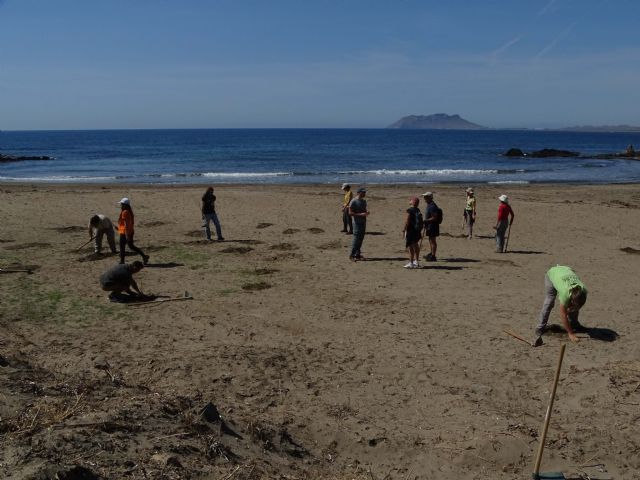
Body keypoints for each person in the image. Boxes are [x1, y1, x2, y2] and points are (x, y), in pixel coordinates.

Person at [535, 265, 587, 342]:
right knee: (549, 302)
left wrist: (573, 308)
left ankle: (574, 324)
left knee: (574, 306)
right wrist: (570, 333)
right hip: (552, 274)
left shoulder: (584, 290)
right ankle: (540, 328)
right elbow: (563, 315)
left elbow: (578, 304)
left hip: (565, 270)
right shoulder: (565, 293)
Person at [117, 197, 149, 265]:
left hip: (125, 232)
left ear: (125, 205)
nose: (121, 205)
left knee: (123, 247)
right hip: (129, 231)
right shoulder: (129, 211)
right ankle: (144, 256)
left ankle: (122, 262)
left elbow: (126, 224)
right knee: (130, 246)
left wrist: (126, 235)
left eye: (122, 204)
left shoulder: (124, 212)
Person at [348, 187, 369, 261]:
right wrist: (361, 214)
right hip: (356, 223)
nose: (364, 194)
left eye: (365, 192)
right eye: (363, 192)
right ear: (359, 192)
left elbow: (364, 210)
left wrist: (366, 213)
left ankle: (357, 254)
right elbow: (350, 213)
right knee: (356, 239)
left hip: (363, 222)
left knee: (361, 239)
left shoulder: (364, 201)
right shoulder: (353, 201)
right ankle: (352, 255)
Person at [403, 197, 422, 268]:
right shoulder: (418, 210)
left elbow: (407, 221)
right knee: (416, 244)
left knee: (410, 246)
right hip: (417, 230)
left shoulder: (409, 210)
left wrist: (404, 229)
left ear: (413, 202)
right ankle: (416, 261)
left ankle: (411, 263)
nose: (409, 200)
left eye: (410, 200)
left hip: (411, 230)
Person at [422, 192, 439, 261]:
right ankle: (431, 253)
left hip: (433, 225)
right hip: (430, 225)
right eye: (424, 197)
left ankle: (433, 256)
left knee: (433, 240)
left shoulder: (432, 206)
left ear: (430, 197)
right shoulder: (429, 205)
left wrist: (426, 221)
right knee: (430, 240)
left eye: (425, 197)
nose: (424, 198)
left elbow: (435, 217)